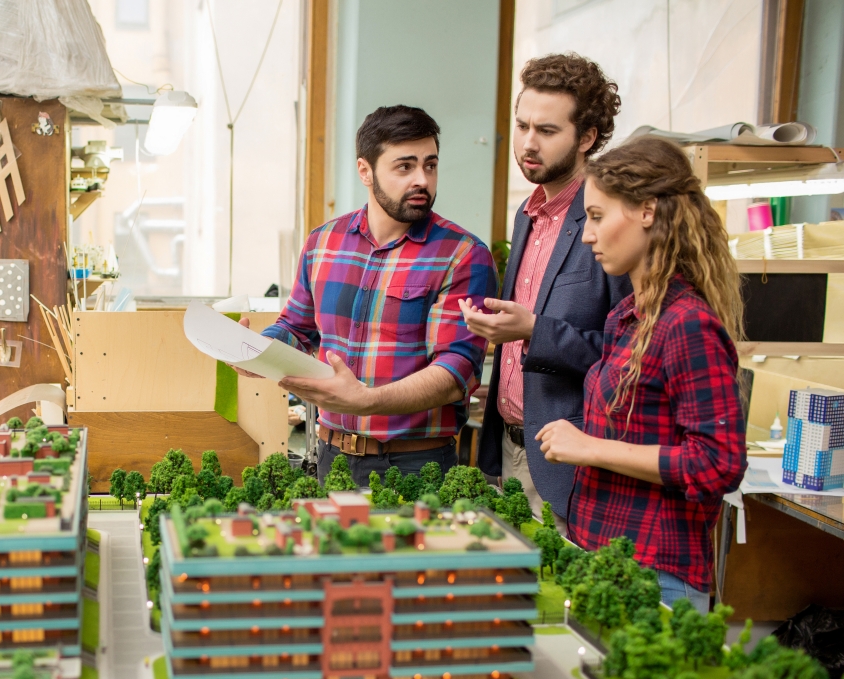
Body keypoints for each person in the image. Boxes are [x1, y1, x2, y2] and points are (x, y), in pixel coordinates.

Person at [536, 136, 747, 611]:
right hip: (605, 556)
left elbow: (720, 464)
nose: (587, 235)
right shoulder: (628, 317)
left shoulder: (687, 323)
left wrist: (591, 447)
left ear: (647, 211)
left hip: (654, 575)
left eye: (596, 217)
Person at [244, 105, 496, 486]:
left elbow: (455, 373)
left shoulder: (462, 255)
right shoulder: (323, 243)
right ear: (365, 171)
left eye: (430, 165)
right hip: (332, 457)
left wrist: (367, 400)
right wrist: (256, 352)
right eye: (405, 167)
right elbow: (296, 328)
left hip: (416, 465)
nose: (422, 180)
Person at [463, 53, 630, 534]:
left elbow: (630, 354)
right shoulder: (528, 214)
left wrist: (535, 330)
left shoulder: (607, 220)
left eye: (548, 131)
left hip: (571, 463)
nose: (528, 144)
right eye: (522, 126)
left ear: (588, 138)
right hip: (511, 451)